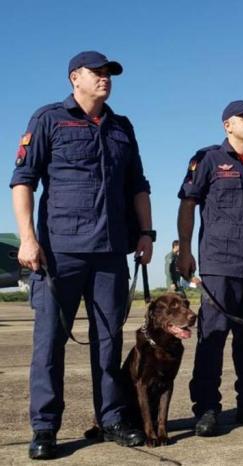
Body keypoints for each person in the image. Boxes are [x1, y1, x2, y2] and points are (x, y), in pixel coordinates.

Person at [10, 51, 153, 459]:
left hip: (110, 253)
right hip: (60, 252)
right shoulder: (49, 119)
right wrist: (27, 238)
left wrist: (146, 233)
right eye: (98, 72)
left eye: (110, 73)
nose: (106, 78)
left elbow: (138, 185)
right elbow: (23, 180)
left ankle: (111, 418)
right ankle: (45, 426)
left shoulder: (122, 127)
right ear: (76, 77)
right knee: (49, 344)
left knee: (109, 342)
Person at [177, 100, 243, 435]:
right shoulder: (208, 159)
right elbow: (188, 204)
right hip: (219, 265)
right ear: (228, 125)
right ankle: (207, 409)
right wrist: (184, 250)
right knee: (212, 339)